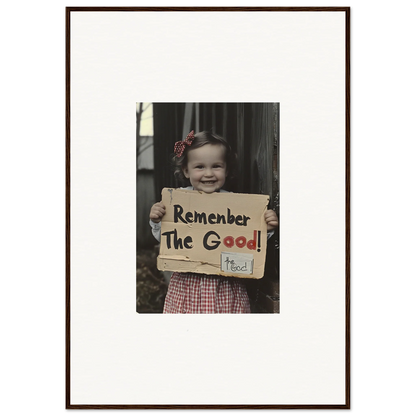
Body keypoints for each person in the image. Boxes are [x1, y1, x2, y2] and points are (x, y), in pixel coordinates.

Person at [149, 130, 278, 313]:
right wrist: (157, 220)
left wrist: (267, 227)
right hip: (188, 284)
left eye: (216, 166)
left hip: (225, 284)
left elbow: (250, 241)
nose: (208, 173)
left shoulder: (236, 205)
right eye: (199, 167)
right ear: (186, 170)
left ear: (226, 169)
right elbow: (166, 239)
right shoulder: (177, 202)